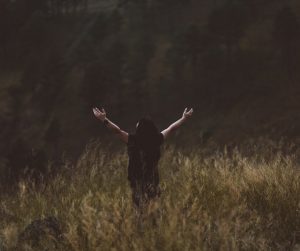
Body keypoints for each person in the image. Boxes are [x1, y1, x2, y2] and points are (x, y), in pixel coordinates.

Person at [92, 107, 193, 207]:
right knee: (154, 209)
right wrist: (184, 118)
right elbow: (171, 129)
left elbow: (117, 131)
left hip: (136, 183)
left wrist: (104, 120)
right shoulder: (156, 140)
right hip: (152, 182)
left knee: (139, 210)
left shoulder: (132, 140)